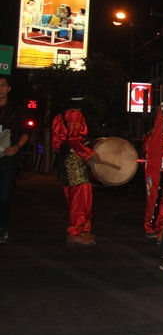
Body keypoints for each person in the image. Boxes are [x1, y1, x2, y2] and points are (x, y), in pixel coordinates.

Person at [52, 96, 102, 246]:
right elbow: (74, 139)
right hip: (75, 160)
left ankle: (82, 230)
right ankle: (76, 232)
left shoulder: (59, 116)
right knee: (81, 198)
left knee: (74, 197)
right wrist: (91, 154)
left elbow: (58, 143)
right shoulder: (75, 115)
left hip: (65, 160)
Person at [0, 76, 34, 244]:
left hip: (7, 158)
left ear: (9, 89)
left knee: (4, 194)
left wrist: (16, 147)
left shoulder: (16, 110)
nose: (0, 88)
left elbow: (26, 132)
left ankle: (2, 228)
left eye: (3, 85)